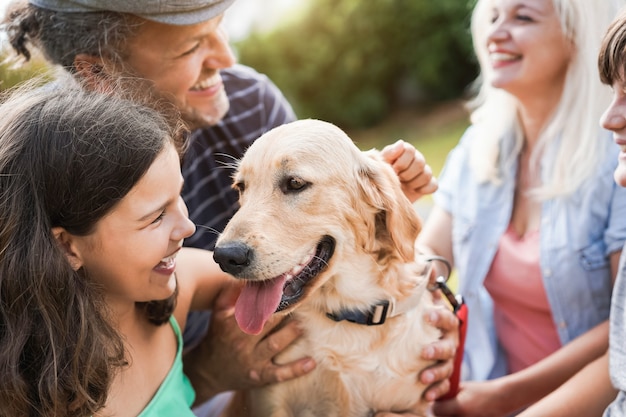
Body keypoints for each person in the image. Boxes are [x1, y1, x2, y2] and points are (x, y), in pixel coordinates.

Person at [2, 0, 459, 413]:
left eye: (220, 28)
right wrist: (210, 373)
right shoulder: (37, 183)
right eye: (191, 47)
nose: (226, 58)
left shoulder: (248, 103)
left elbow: (330, 230)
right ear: (100, 74)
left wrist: (412, 305)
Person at [413, 0, 626, 416]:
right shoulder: (479, 146)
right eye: (492, 17)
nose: (495, 34)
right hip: (482, 386)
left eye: (522, 17)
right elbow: (428, 255)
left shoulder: (616, 160)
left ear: (576, 35)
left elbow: (622, 333)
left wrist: (501, 399)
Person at [0, 78, 238, 416]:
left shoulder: (178, 286)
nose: (187, 227)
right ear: (67, 247)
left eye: (178, 197)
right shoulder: (23, 398)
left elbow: (270, 278)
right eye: (156, 217)